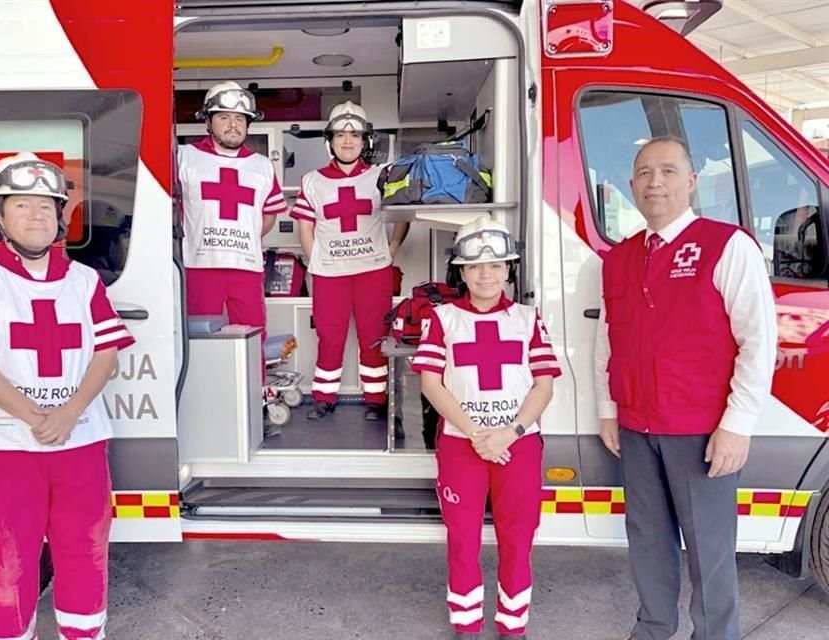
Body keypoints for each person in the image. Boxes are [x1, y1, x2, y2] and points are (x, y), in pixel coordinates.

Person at [0, 152, 135, 640]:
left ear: (61, 217)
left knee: (85, 555)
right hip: (6, 448)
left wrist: (70, 412)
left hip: (81, 443)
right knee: (7, 565)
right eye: (22, 205)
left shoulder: (84, 281)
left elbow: (107, 354)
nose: (37, 215)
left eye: (47, 205)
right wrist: (36, 415)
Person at [594, 136, 778, 640]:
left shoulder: (727, 245)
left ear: (692, 181)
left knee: (710, 550)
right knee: (648, 542)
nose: (656, 182)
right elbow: (607, 342)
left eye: (669, 171)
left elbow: (759, 342)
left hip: (701, 430)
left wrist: (736, 426)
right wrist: (609, 410)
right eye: (645, 172)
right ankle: (653, 628)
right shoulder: (620, 257)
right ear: (631, 185)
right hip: (636, 427)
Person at [413, 216, 561, 639]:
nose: (485, 274)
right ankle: (466, 624)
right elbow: (430, 383)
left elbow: (544, 386)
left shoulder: (528, 319)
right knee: (463, 542)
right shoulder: (441, 319)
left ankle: (513, 626)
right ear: (461, 270)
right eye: (476, 266)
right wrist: (479, 435)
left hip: (519, 446)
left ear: (508, 269)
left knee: (518, 540)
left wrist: (508, 433)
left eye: (496, 265)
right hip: (463, 448)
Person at [178, 80, 287, 435]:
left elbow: (268, 215)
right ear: (208, 121)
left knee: (253, 338)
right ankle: (200, 407)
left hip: (246, 267)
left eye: (240, 118)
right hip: (198, 265)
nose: (233, 125)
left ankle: (255, 407)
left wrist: (243, 239)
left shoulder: (261, 166)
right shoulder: (184, 157)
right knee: (197, 339)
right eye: (224, 117)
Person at [290, 100, 409, 421]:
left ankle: (376, 400)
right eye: (341, 134)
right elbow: (305, 225)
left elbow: (402, 213)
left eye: (354, 134)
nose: (347, 140)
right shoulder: (312, 180)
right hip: (329, 274)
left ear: (364, 140)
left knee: (374, 336)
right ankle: (323, 398)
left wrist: (392, 248)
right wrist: (315, 260)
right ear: (329, 140)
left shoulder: (382, 175)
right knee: (330, 336)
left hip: (373, 271)